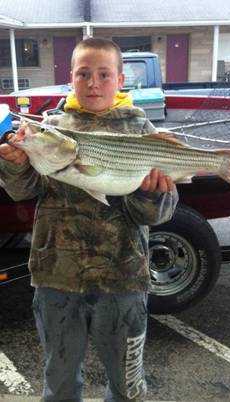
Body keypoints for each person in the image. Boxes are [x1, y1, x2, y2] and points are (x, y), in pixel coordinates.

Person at [0, 37, 178, 402]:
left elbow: (160, 213)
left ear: (120, 79)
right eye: (84, 74)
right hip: (56, 278)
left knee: (126, 388)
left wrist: (150, 193)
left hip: (123, 279)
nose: (93, 83)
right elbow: (23, 190)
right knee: (60, 385)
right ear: (71, 78)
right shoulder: (51, 127)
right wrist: (14, 165)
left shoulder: (144, 133)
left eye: (103, 74)